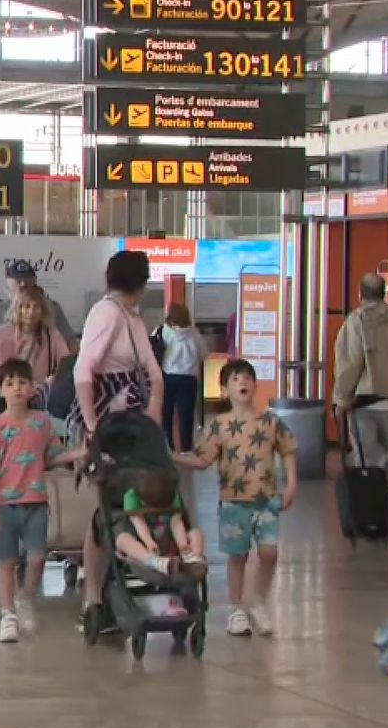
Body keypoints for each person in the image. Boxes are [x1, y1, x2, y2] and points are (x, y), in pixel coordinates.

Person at [73, 250, 165, 630]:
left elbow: (153, 375)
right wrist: (93, 424)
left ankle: (104, 592)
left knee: (128, 505)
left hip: (129, 426)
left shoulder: (129, 316)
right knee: (109, 512)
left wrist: (151, 421)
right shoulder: (109, 314)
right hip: (111, 425)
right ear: (141, 284)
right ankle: (95, 597)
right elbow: (84, 369)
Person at [176, 358, 297, 638]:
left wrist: (291, 484)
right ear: (224, 390)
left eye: (246, 378)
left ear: (255, 385)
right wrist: (174, 456)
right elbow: (202, 459)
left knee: (269, 552)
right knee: (237, 556)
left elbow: (289, 450)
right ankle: (236, 608)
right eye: (234, 379)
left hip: (266, 501)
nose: (242, 382)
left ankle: (259, 602)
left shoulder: (270, 422)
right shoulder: (219, 426)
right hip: (233, 504)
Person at [0, 358, 86, 644]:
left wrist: (77, 454)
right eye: (9, 384)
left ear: (32, 388)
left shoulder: (42, 424)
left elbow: (52, 456)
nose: (16, 389)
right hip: (4, 505)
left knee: (37, 557)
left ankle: (25, 596)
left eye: (22, 383)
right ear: (0, 390)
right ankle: (7, 615)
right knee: (6, 561)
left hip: (36, 501)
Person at [332, 273, 388, 472]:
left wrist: (340, 398)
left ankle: (367, 503)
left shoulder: (355, 321)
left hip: (364, 405)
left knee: (367, 468)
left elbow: (350, 364)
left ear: (359, 293)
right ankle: (385, 502)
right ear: (384, 293)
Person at [0, 285, 70, 424]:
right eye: (26, 306)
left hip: (39, 403)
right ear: (17, 308)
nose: (30, 312)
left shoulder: (52, 336)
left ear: (43, 310)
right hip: (2, 401)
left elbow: (67, 369)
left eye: (36, 307)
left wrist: (48, 384)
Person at [112, 466, 207, 580]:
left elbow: (176, 521)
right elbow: (138, 521)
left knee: (196, 533)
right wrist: (149, 542)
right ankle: (156, 562)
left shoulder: (172, 495)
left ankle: (192, 559)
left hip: (169, 540)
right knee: (122, 539)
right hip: (142, 544)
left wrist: (182, 544)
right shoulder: (132, 497)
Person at [0, 260, 77, 346]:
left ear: (35, 282)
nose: (23, 284)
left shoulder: (52, 308)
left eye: (28, 281)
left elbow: (70, 342)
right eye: (18, 281)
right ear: (7, 284)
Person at [158, 302, 207, 453]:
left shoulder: (164, 331)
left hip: (167, 377)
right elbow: (205, 354)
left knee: (166, 413)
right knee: (186, 414)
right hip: (188, 378)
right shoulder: (194, 333)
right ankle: (186, 448)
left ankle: (169, 446)